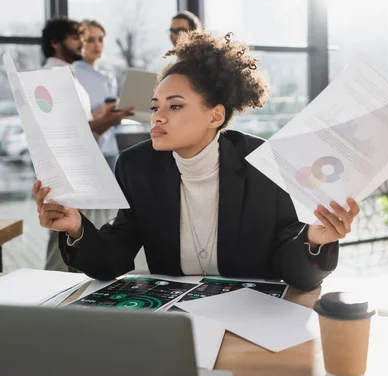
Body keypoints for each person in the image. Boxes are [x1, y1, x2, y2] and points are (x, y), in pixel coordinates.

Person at [34, 31, 359, 291]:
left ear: (215, 115)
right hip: (176, 320)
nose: (157, 117)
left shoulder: (263, 164)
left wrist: (313, 241)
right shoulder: (136, 166)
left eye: (174, 106)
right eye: (155, 105)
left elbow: (295, 273)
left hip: (253, 314)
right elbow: (111, 260)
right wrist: (76, 227)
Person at [41, 17, 134, 270]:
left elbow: (80, 125)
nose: (82, 43)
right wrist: (106, 121)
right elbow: (65, 132)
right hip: (70, 169)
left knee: (79, 234)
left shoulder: (69, 76)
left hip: (83, 165)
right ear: (55, 43)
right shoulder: (51, 77)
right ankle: (53, 297)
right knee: (62, 236)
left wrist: (104, 119)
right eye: (76, 38)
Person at [73, 19, 119, 172]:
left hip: (110, 148)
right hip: (86, 151)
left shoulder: (109, 77)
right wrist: (103, 111)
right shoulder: (73, 75)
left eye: (100, 39)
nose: (97, 45)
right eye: (90, 40)